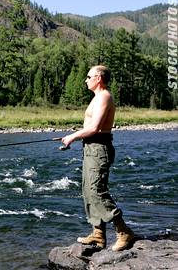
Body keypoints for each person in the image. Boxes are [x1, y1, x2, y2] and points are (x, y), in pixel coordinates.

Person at [62, 65, 134, 252]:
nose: (86, 79)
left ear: (99, 78)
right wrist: (77, 135)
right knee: (88, 190)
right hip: (90, 147)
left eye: (88, 76)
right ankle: (98, 234)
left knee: (96, 190)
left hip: (99, 148)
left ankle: (124, 231)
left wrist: (72, 136)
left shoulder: (104, 97)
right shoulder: (97, 98)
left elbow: (95, 128)